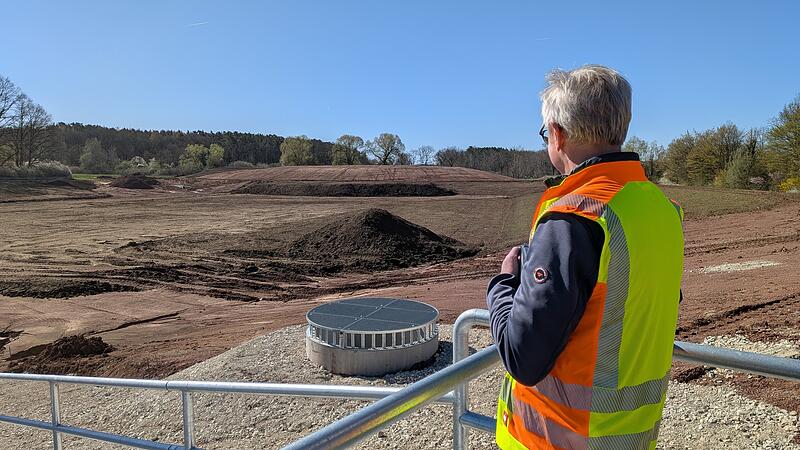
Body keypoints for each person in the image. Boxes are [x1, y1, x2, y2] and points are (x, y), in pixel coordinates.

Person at [487, 65, 684, 450]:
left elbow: (522, 357)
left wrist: (505, 284)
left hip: (558, 441)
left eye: (545, 134)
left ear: (557, 134)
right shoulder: (662, 210)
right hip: (631, 439)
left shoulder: (573, 219)